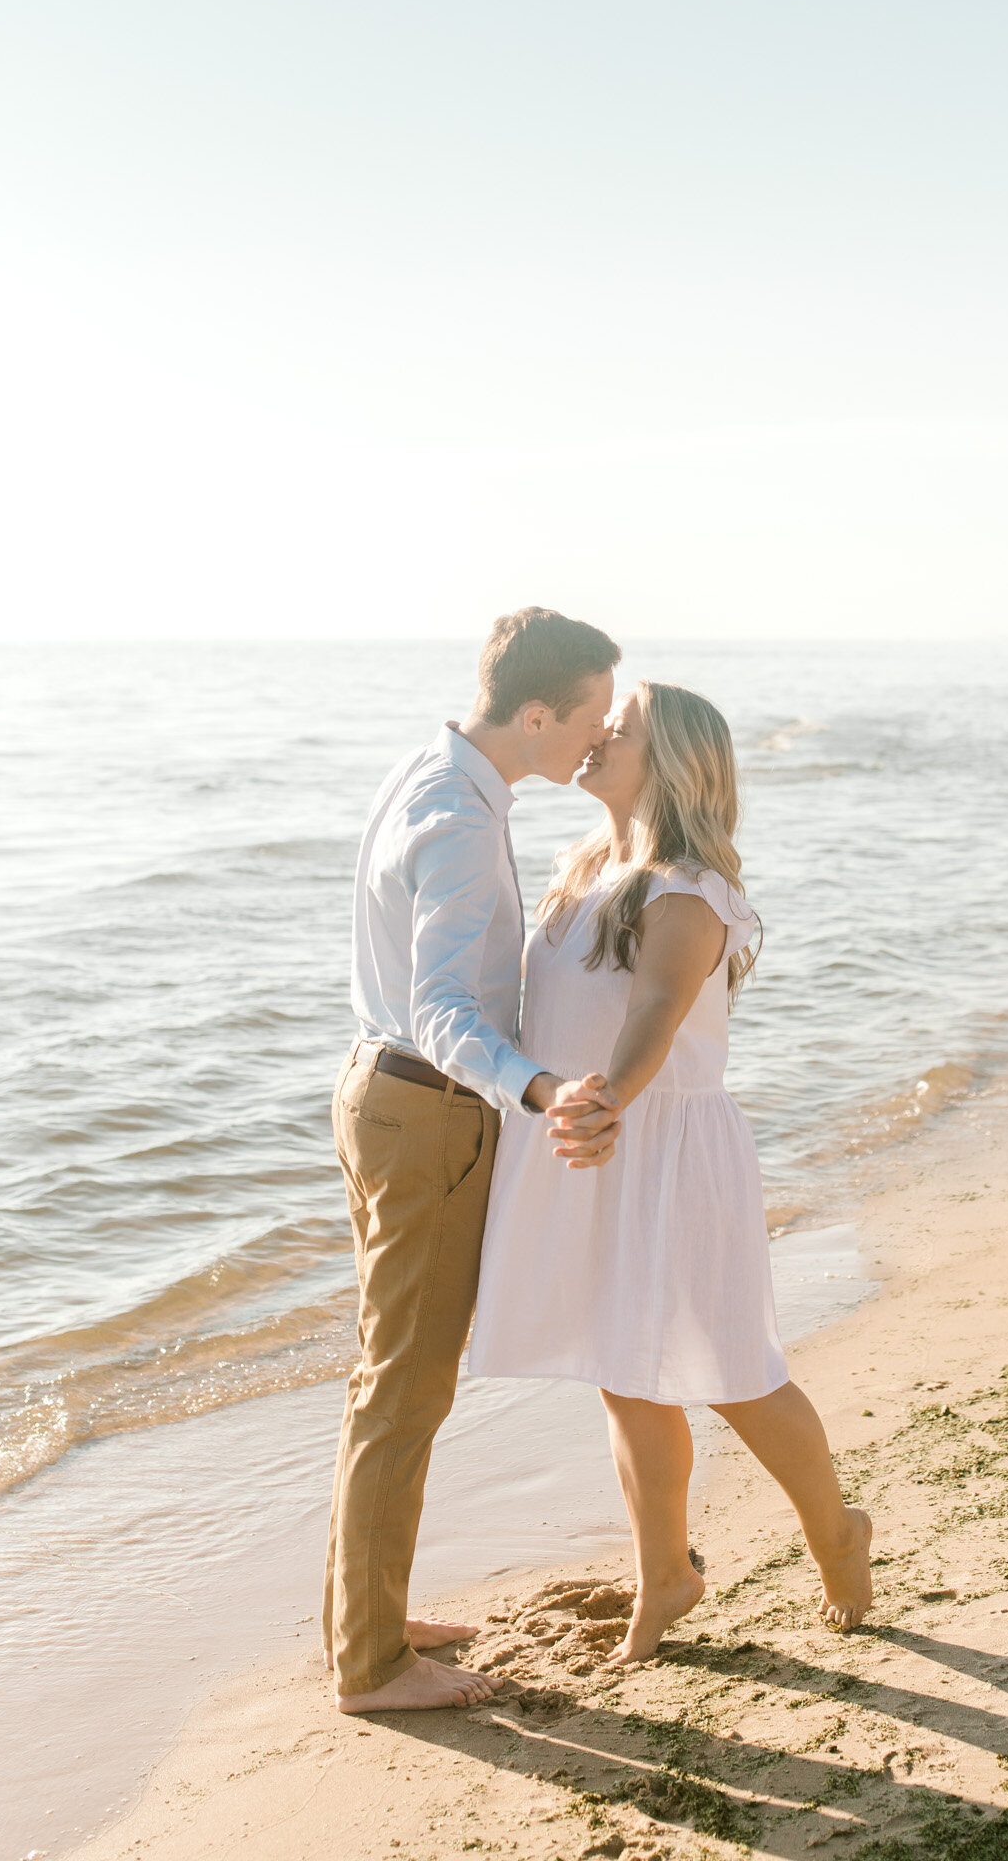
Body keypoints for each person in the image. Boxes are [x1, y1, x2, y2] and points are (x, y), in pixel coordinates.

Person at [469, 680, 872, 1659]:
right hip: (594, 1139)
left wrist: (604, 1096)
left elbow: (654, 1012)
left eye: (624, 726)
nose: (598, 732)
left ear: (673, 763)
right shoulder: (581, 871)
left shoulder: (686, 887)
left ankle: (836, 1528)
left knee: (733, 1370)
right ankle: (667, 1576)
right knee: (623, 1375)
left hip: (663, 1146)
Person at [323, 607, 624, 1714]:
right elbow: (444, 1008)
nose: (598, 736)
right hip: (426, 1107)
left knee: (388, 1375)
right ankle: (371, 1665)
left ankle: (372, 1617)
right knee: (403, 1383)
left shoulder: (436, 768)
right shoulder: (458, 815)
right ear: (536, 712)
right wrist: (543, 1084)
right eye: (590, 712)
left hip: (381, 1093)